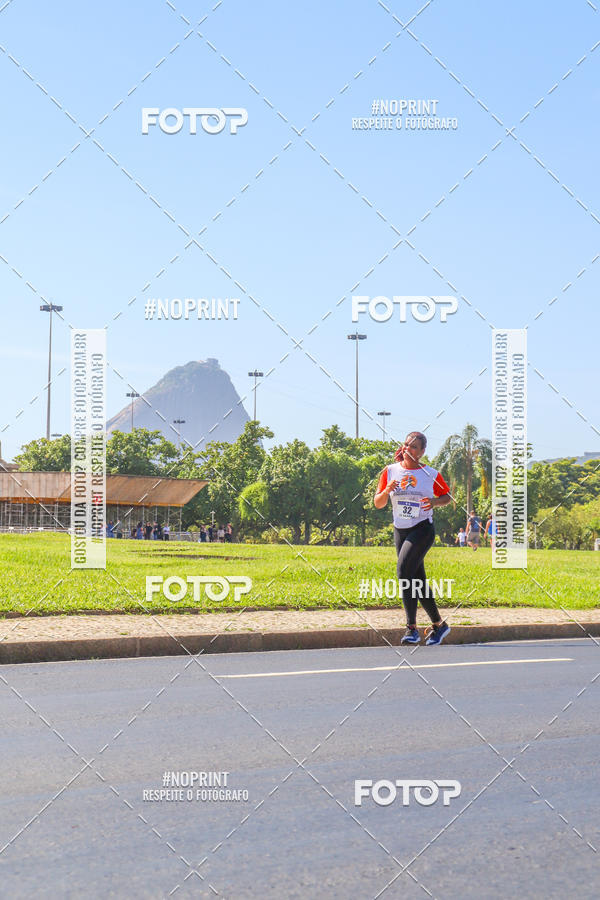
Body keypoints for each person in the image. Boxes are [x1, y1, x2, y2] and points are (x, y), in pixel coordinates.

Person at [374, 431, 452, 646]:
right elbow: (378, 503)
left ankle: (411, 629)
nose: (410, 448)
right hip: (401, 530)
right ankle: (439, 625)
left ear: (422, 451)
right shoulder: (390, 471)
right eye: (408, 444)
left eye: (416, 446)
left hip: (422, 529)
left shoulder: (431, 474)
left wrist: (433, 502)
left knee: (403, 570)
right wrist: (387, 490)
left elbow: (447, 497)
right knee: (417, 580)